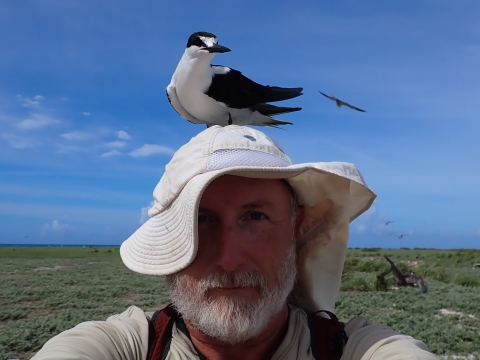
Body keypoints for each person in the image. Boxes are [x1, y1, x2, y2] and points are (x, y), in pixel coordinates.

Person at [32, 125, 438, 359]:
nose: (228, 259)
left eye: (255, 217)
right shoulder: (129, 347)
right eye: (200, 219)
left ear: (295, 228)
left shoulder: (354, 350)